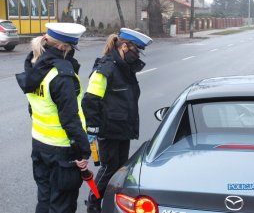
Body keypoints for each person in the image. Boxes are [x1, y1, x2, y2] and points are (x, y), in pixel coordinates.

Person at [15, 22, 91, 213]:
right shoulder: (61, 75)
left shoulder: (34, 66)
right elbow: (70, 119)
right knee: (62, 206)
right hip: (62, 152)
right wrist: (82, 153)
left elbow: (33, 108)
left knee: (45, 200)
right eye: (71, 48)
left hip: (40, 145)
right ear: (61, 47)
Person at [82, 28, 152, 213]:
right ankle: (93, 202)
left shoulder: (124, 67)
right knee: (108, 168)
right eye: (136, 50)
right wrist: (93, 127)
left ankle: (111, 200)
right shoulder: (107, 68)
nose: (137, 55)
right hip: (108, 128)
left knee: (121, 168)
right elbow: (90, 99)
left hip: (122, 128)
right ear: (124, 46)